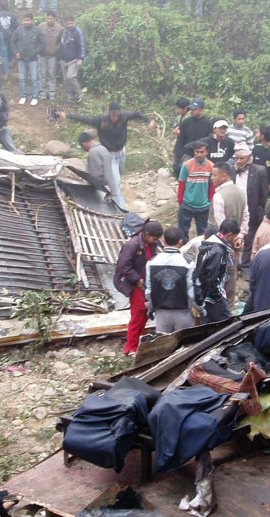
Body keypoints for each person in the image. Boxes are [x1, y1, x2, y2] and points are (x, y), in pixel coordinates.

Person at [66, 102, 155, 204]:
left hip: (121, 153)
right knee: (114, 182)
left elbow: (137, 114)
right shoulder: (102, 120)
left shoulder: (123, 116)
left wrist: (149, 121)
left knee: (119, 177)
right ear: (109, 113)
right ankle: (120, 208)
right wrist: (67, 116)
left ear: (120, 113)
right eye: (113, 115)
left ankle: (110, 195)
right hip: (109, 156)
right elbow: (85, 119)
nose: (115, 118)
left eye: (117, 115)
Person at [114, 220, 163, 356]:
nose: (156, 242)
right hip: (135, 283)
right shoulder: (132, 245)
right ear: (146, 234)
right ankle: (131, 348)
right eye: (154, 239)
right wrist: (137, 280)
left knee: (145, 314)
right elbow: (123, 266)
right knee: (137, 315)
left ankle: (138, 342)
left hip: (146, 283)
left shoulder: (152, 243)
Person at [211, 162, 249, 305]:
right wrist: (240, 235)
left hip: (221, 242)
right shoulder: (240, 192)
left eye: (215, 175)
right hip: (237, 240)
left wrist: (225, 239)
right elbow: (246, 215)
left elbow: (220, 222)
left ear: (224, 176)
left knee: (219, 272)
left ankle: (219, 303)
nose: (212, 178)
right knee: (232, 272)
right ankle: (230, 304)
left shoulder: (219, 196)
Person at [145, 227, 196, 334]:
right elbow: (191, 292)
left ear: (163, 241)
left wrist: (151, 309)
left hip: (161, 312)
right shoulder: (187, 264)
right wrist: (199, 308)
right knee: (187, 344)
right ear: (180, 242)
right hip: (182, 312)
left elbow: (148, 291)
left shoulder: (151, 263)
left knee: (164, 345)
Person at [193, 220, 239, 323]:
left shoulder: (208, 245)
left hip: (204, 294)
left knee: (207, 325)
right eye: (234, 236)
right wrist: (218, 296)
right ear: (230, 235)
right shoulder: (218, 251)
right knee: (228, 325)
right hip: (213, 296)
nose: (234, 240)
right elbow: (212, 277)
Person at [233, 144, 270, 268]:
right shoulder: (230, 170)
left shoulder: (260, 171)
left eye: (241, 158)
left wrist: (260, 211)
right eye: (237, 158)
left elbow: (263, 194)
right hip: (234, 209)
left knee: (249, 238)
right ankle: (233, 263)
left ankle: (245, 265)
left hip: (251, 210)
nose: (238, 161)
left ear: (249, 157)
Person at [177, 141, 215, 239]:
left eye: (202, 152)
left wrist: (210, 200)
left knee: (203, 233)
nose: (199, 154)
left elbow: (212, 185)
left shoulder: (211, 166)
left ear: (207, 152)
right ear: (194, 152)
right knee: (182, 232)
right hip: (187, 204)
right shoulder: (186, 165)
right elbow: (182, 183)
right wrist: (181, 201)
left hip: (204, 205)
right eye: (197, 152)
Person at [79, 131, 120, 208]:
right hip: (111, 185)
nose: (84, 149)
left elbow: (94, 175)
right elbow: (108, 172)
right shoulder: (103, 148)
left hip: (102, 188)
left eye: (82, 146)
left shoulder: (93, 152)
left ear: (84, 143)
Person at [11, 13, 43, 105]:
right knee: (22, 79)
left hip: (33, 59)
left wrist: (36, 52)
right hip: (21, 58)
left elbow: (42, 43)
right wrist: (16, 52)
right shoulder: (18, 30)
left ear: (32, 20)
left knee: (34, 78)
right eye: (25, 20)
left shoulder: (37, 30)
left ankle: (35, 97)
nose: (26, 22)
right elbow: (12, 42)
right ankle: (23, 96)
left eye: (28, 20)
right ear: (23, 20)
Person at [58, 15, 87, 104]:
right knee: (65, 81)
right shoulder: (63, 31)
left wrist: (80, 59)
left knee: (71, 77)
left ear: (74, 22)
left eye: (71, 23)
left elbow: (83, 46)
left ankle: (79, 94)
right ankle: (70, 98)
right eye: (67, 23)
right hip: (63, 59)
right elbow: (61, 43)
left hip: (74, 60)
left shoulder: (78, 31)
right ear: (65, 23)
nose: (69, 25)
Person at [177, 98, 213, 163]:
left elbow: (210, 142)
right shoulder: (186, 122)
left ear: (201, 110)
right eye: (191, 109)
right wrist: (179, 156)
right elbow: (180, 141)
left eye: (194, 109)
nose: (191, 111)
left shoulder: (208, 123)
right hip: (188, 155)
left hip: (202, 155)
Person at [38, 11, 62, 101]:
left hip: (52, 56)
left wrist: (56, 49)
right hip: (42, 55)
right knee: (42, 74)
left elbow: (60, 41)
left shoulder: (59, 28)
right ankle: (42, 93)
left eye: (51, 18)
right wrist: (38, 50)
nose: (49, 20)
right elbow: (37, 38)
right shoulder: (41, 26)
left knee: (52, 74)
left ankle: (52, 93)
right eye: (48, 18)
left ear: (55, 19)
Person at [171, 97, 191, 178]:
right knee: (176, 163)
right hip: (179, 142)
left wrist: (179, 131)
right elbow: (174, 129)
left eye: (179, 108)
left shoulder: (190, 117)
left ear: (185, 108)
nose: (178, 110)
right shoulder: (179, 117)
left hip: (187, 142)